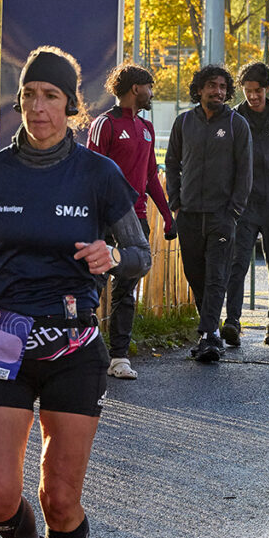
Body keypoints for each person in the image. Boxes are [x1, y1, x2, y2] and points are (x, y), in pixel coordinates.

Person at [0, 47, 151, 538]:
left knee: (59, 494)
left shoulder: (96, 174)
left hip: (73, 345)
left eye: (52, 97)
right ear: (20, 100)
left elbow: (139, 252)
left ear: (70, 105)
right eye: (30, 94)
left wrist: (111, 257)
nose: (39, 108)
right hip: (4, 338)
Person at [88, 63, 173, 378]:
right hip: (105, 220)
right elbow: (91, 173)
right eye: (149, 87)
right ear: (136, 88)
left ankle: (119, 357)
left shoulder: (147, 128)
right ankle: (83, 349)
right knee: (91, 285)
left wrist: (166, 216)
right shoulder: (104, 124)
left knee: (127, 287)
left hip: (137, 220)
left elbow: (151, 176)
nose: (152, 93)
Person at [165, 64, 252, 363]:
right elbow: (172, 163)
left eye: (223, 87)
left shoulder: (236, 124)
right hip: (188, 214)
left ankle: (208, 336)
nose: (218, 91)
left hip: (221, 216)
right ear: (199, 89)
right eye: (211, 85)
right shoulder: (184, 122)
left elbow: (245, 172)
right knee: (196, 275)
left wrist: (234, 210)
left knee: (217, 276)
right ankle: (210, 331)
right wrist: (175, 202)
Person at [222, 61, 269, 347]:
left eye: (257, 90)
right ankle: (232, 321)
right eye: (248, 90)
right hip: (244, 203)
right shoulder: (234, 118)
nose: (253, 96)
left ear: (266, 88)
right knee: (238, 262)